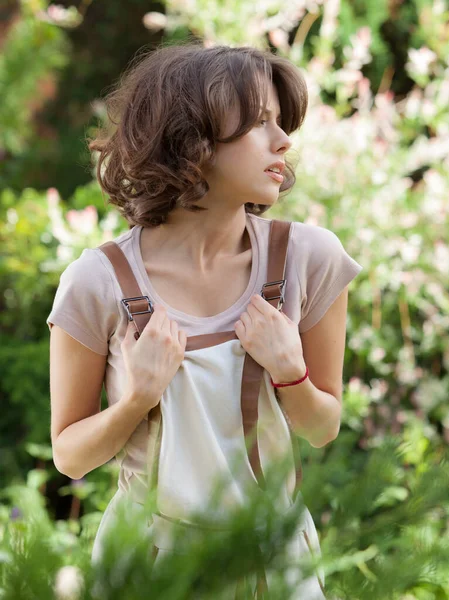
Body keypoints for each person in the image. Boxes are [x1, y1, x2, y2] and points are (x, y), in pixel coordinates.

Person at [47, 41, 362, 598]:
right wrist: (135, 399)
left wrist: (291, 372)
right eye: (260, 123)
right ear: (191, 141)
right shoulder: (97, 282)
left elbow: (322, 428)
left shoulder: (309, 260)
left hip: (274, 563)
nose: (283, 141)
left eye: (281, 123)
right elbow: (70, 456)